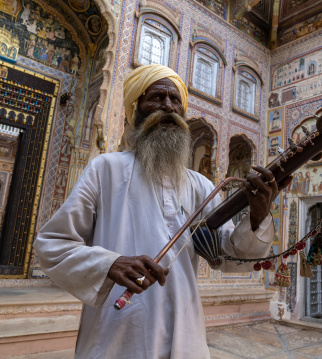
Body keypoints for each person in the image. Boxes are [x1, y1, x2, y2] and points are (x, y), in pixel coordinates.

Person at [34, 64, 290, 358]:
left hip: (186, 333)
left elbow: (226, 255)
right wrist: (111, 264)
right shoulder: (106, 169)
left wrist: (257, 216)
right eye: (156, 97)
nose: (168, 106)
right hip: (118, 334)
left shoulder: (200, 185)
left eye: (175, 100)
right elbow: (52, 245)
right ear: (137, 108)